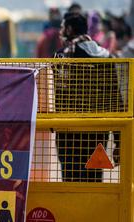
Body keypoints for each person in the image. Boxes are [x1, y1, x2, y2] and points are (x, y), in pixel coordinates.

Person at [54, 13, 117, 182]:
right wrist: (118, 139)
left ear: (69, 29)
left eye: (62, 28)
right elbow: (115, 97)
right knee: (94, 179)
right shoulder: (106, 56)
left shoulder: (63, 55)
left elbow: (58, 94)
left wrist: (54, 123)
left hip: (69, 132)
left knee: (70, 180)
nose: (60, 32)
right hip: (98, 130)